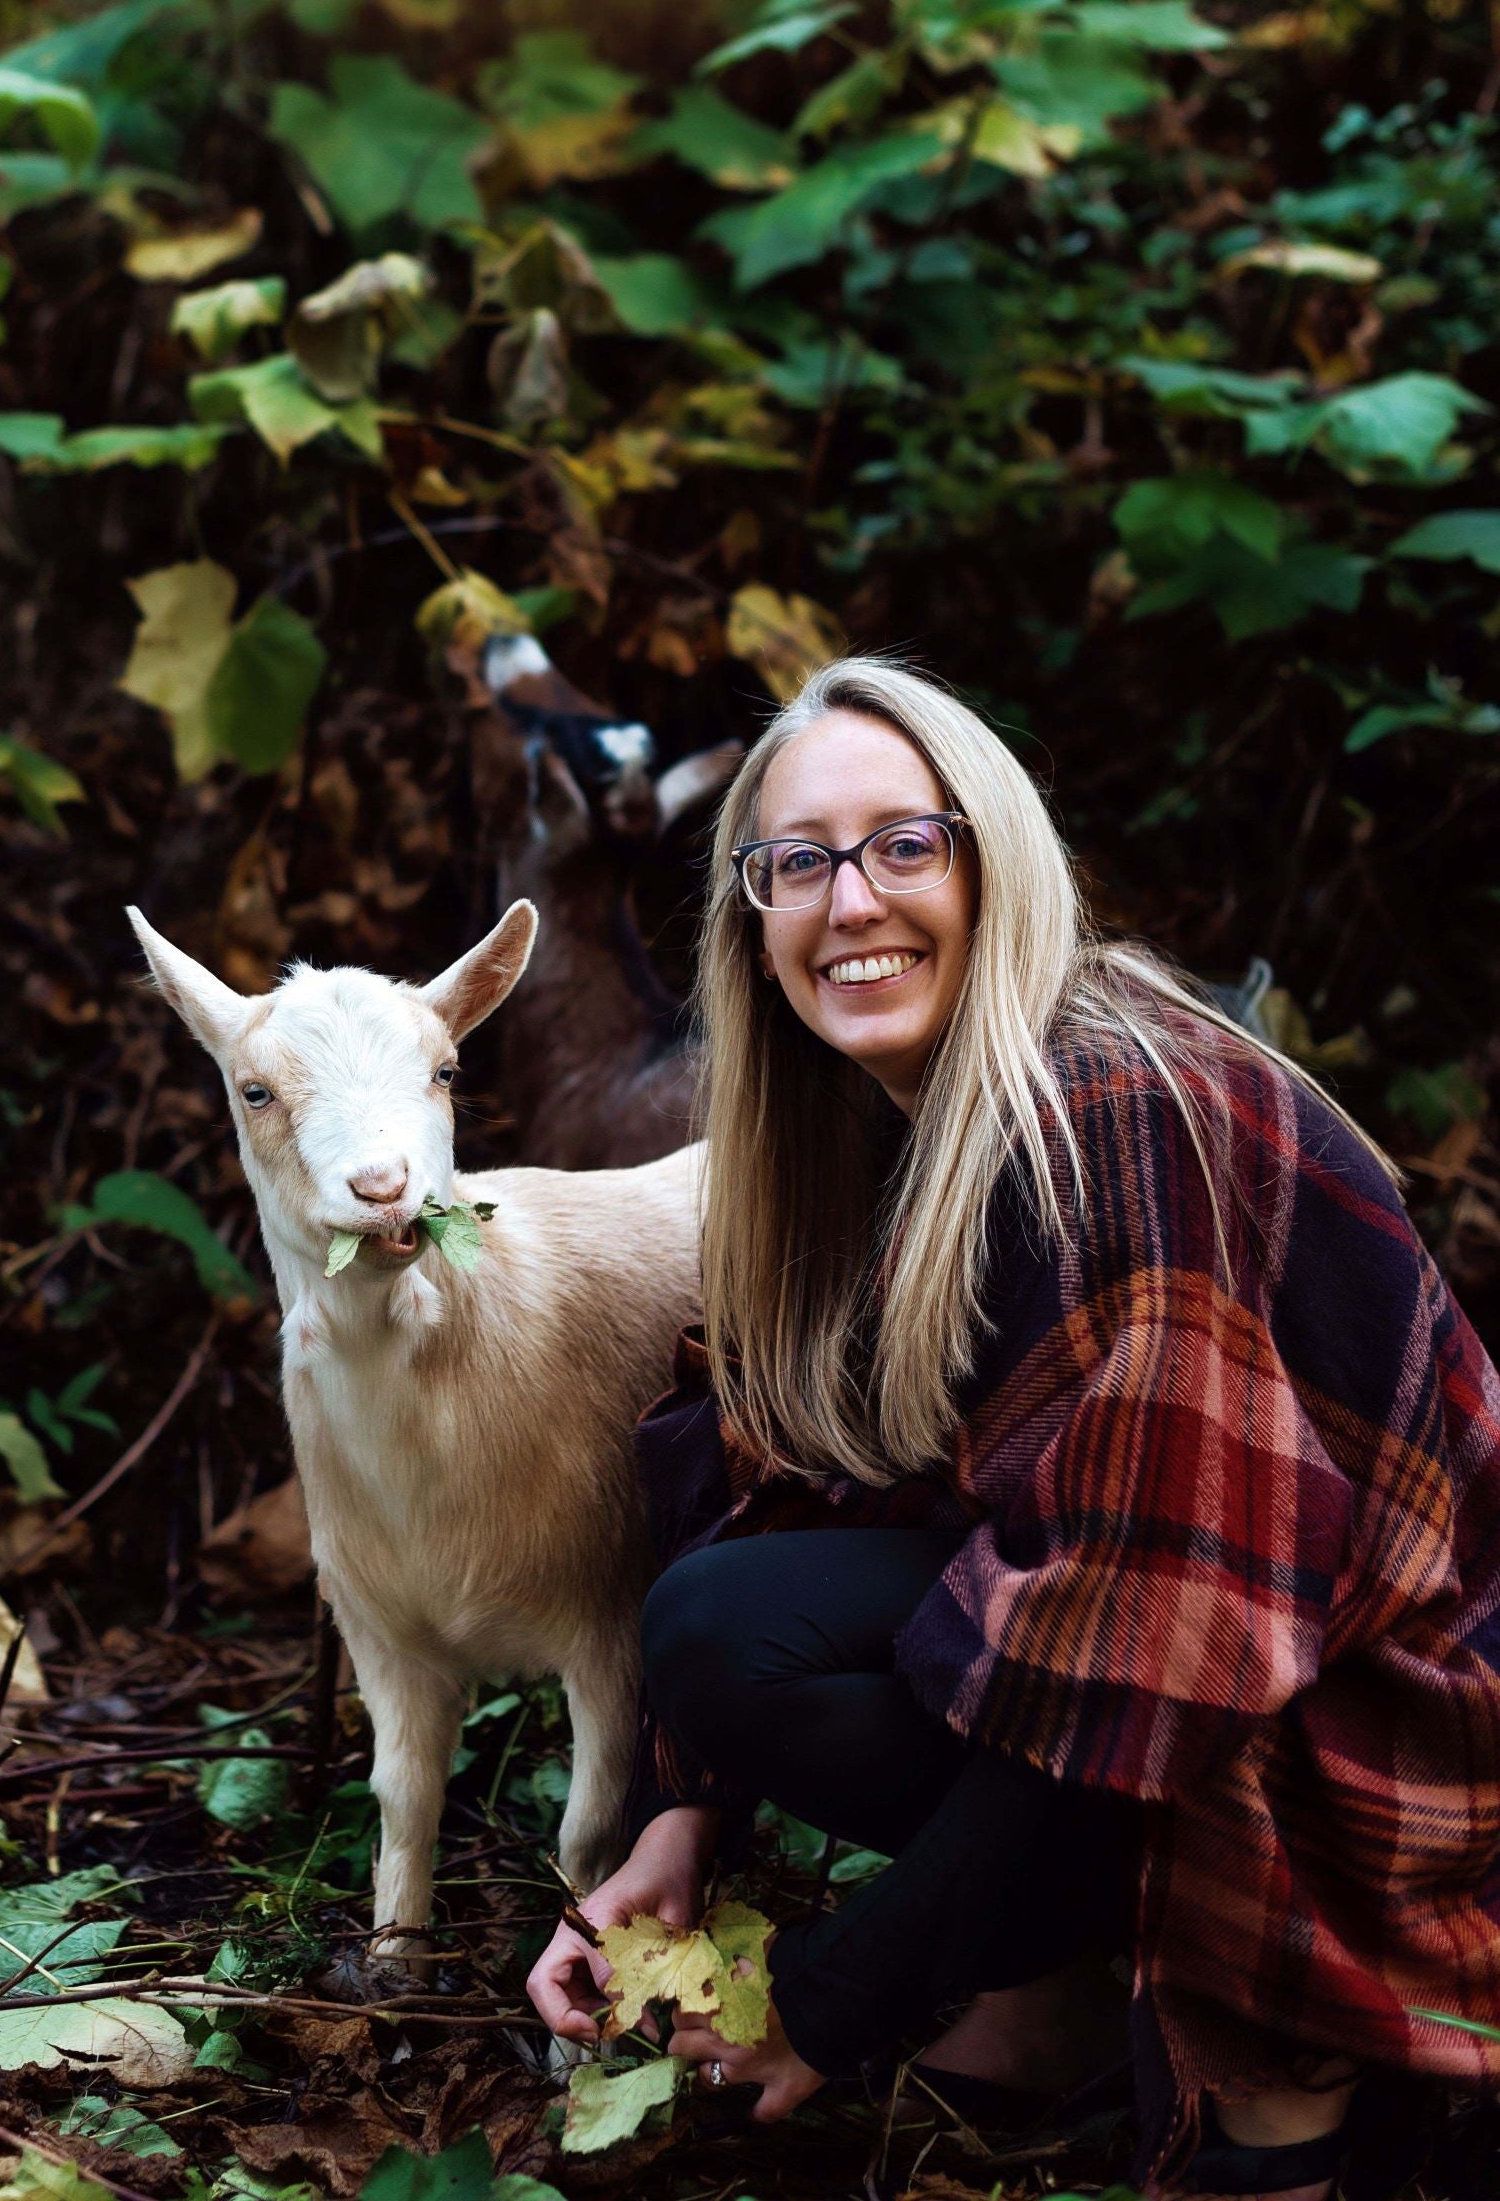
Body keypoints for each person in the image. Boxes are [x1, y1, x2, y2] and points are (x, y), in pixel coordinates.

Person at [524, 654, 1500, 2200]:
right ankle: (1059, 1969)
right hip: (1180, 1645)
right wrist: (676, 1819)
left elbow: (1163, 1635)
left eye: (907, 845)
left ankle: (1288, 2064)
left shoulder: (1129, 1109)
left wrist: (835, 2004)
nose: (852, 903)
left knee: (1252, 2087)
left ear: (998, 861)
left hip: (1375, 1722)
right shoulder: (859, 1128)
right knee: (724, 1620)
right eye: (800, 862)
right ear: (751, 912)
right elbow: (794, 1480)